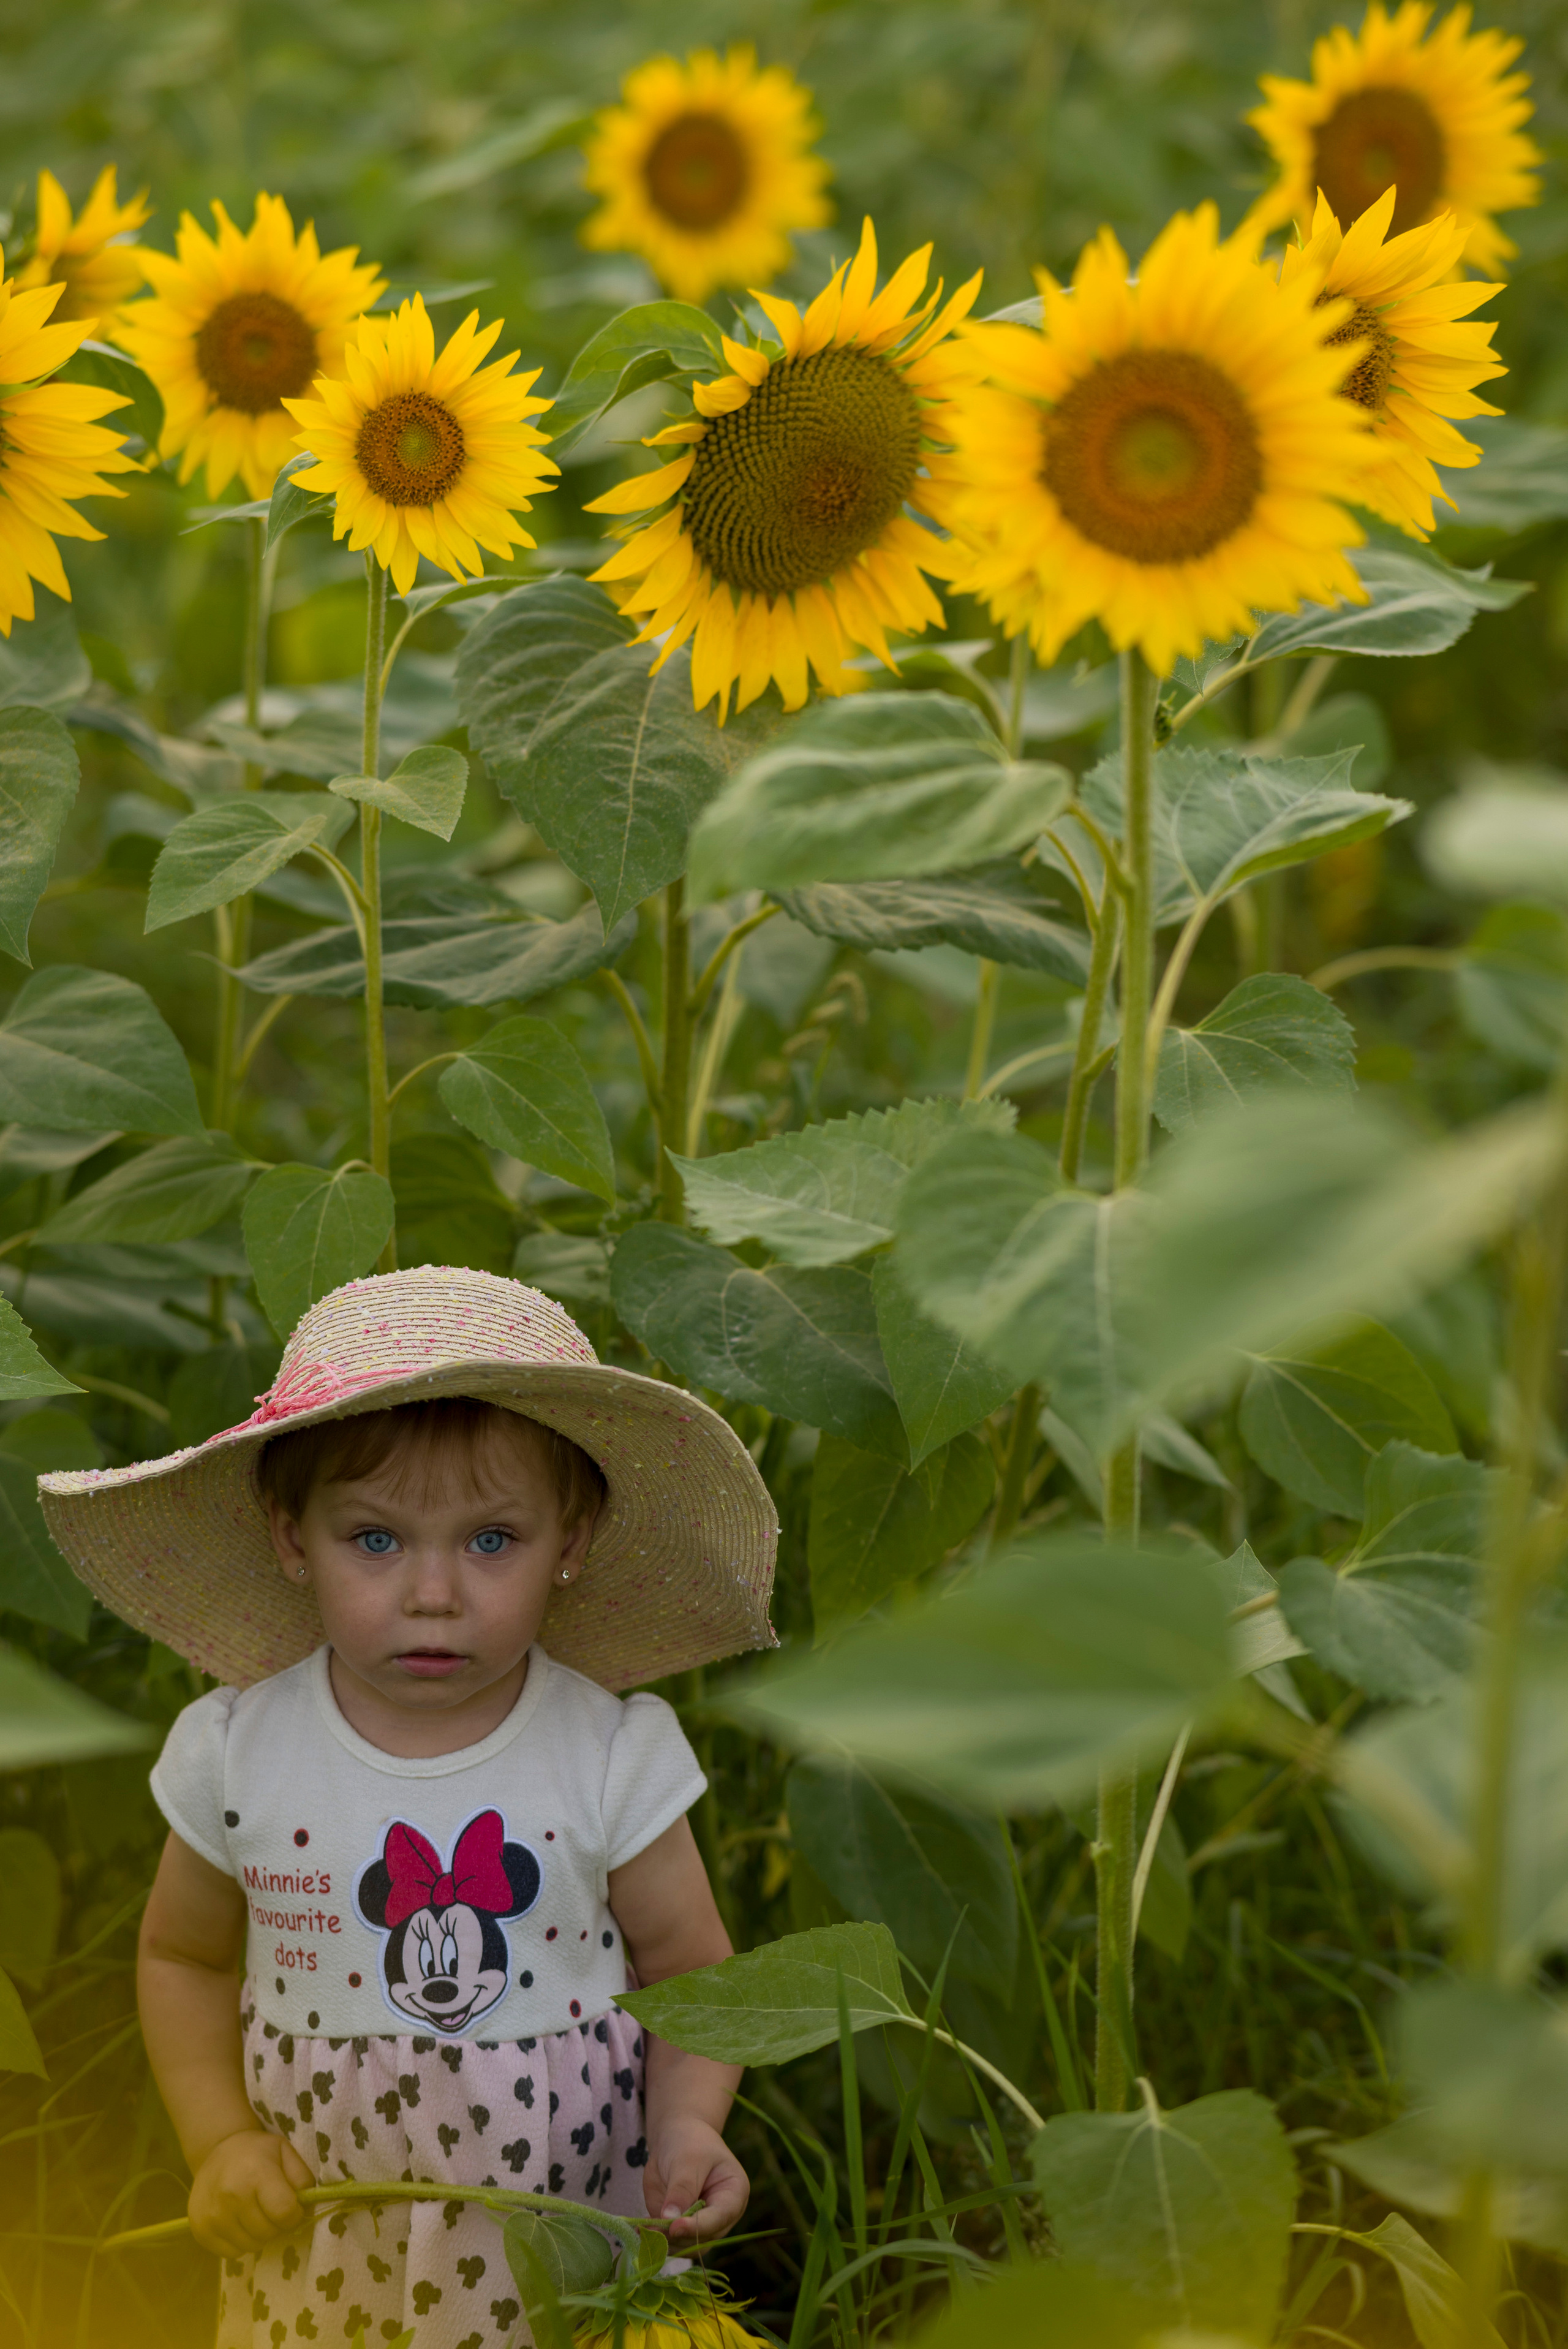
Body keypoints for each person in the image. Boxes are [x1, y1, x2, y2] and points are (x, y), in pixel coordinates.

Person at [40, 1266, 779, 2348]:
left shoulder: (607, 1753)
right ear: (293, 1537)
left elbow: (698, 1975)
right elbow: (185, 1958)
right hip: (327, 2239)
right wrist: (221, 2143)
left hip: (562, 2231)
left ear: (570, 1541)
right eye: (376, 1540)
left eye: (492, 1540)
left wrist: (685, 2123)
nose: (434, 1593)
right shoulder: (241, 1751)